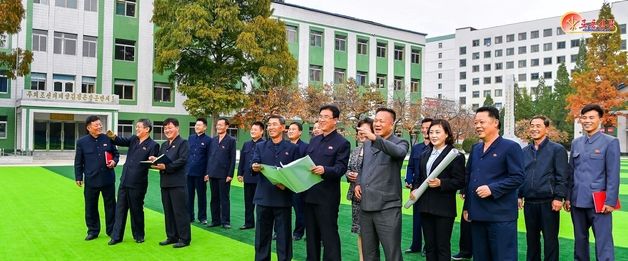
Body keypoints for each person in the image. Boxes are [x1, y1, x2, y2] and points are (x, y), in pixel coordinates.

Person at [463, 106, 524, 260]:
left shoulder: (510, 147)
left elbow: (517, 177)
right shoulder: (476, 148)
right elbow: (469, 178)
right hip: (477, 215)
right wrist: (468, 207)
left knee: (503, 257)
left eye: (482, 122)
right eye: (476, 123)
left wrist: (492, 188)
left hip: (500, 216)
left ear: (496, 122)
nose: (477, 126)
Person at [565, 104, 620, 261]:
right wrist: (568, 197)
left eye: (591, 117)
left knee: (603, 243)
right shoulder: (576, 143)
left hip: (600, 203)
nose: (587, 121)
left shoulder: (610, 142)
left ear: (600, 120)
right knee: (580, 242)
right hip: (577, 201)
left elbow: (613, 174)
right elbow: (571, 172)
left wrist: (610, 201)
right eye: (584, 117)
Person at [355, 107, 409, 261]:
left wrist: (375, 138)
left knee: (392, 253)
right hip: (366, 206)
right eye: (376, 120)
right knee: (369, 253)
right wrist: (359, 182)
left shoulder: (401, 142)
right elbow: (363, 167)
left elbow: (398, 153)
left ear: (392, 125)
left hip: (387, 208)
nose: (377, 124)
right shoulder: (367, 144)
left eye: (381, 121)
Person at [409, 119, 465, 261]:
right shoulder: (424, 154)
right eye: (431, 132)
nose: (433, 135)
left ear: (446, 134)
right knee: (430, 246)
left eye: (438, 132)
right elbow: (419, 177)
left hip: (443, 208)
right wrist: (415, 189)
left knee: (442, 247)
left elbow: (460, 181)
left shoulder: (455, 155)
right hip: (425, 207)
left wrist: (442, 183)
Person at [303, 104, 350, 261]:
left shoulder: (342, 143)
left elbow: (340, 169)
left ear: (335, 120)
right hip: (309, 194)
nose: (321, 120)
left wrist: (325, 170)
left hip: (327, 198)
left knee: (329, 235)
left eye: (326, 117)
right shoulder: (314, 140)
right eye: (320, 116)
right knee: (311, 235)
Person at [518, 116, 568, 261]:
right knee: (531, 240)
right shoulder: (524, 151)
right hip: (530, 203)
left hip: (549, 202)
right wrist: (519, 195)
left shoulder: (557, 150)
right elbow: (521, 175)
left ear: (546, 129)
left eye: (538, 126)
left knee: (550, 240)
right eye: (532, 126)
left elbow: (562, 176)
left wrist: (559, 197)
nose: (534, 129)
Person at [251, 115, 299, 261]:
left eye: (274, 124)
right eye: (269, 125)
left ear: (283, 127)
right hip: (263, 197)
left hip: (283, 199)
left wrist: (286, 184)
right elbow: (253, 165)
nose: (270, 127)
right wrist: (254, 167)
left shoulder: (292, 148)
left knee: (283, 237)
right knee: (262, 236)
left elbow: (296, 173)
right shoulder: (260, 146)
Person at [107, 119, 160, 245]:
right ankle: (116, 236)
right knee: (120, 209)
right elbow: (121, 141)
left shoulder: (153, 145)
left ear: (147, 129)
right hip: (125, 180)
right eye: (136, 127)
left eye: (139, 127)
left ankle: (139, 235)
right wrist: (113, 136)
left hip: (138, 182)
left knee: (136, 209)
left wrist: (154, 159)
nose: (137, 129)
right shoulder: (133, 139)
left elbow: (153, 161)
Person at [74, 115, 118, 241]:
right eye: (96, 125)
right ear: (89, 128)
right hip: (91, 179)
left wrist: (114, 162)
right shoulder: (82, 142)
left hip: (108, 179)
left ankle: (112, 230)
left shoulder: (107, 139)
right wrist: (78, 176)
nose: (100, 126)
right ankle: (93, 231)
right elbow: (79, 161)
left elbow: (116, 154)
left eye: (100, 124)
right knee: (90, 206)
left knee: (110, 206)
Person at [151, 118, 190, 248]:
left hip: (178, 183)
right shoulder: (164, 145)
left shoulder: (183, 143)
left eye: (170, 127)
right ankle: (171, 236)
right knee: (168, 211)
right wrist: (155, 160)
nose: (167, 130)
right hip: (165, 182)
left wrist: (166, 167)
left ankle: (184, 239)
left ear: (177, 128)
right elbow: (163, 160)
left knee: (180, 211)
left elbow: (183, 160)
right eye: (165, 128)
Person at [345, 118, 373, 261]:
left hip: (371, 196)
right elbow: (349, 168)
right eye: (359, 130)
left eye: (365, 130)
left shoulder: (377, 150)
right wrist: (349, 175)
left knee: (372, 232)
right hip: (356, 197)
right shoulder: (355, 150)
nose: (361, 133)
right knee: (360, 231)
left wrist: (361, 178)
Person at [404, 118, 432, 255]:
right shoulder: (416, 148)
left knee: (428, 218)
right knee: (417, 218)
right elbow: (410, 167)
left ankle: (428, 247)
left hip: (430, 189)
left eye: (429, 127)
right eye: (424, 127)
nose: (425, 130)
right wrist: (408, 180)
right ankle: (415, 245)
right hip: (415, 188)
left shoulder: (435, 148)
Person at [207, 117, 237, 228]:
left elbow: (232, 158)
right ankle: (215, 220)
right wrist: (208, 172)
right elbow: (210, 157)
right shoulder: (213, 140)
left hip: (224, 175)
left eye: (221, 125)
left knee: (224, 198)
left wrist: (230, 174)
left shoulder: (231, 140)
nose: (218, 127)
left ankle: (225, 221)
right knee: (214, 198)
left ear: (226, 126)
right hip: (213, 173)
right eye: (217, 125)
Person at [237, 121, 265, 230]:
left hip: (260, 179)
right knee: (248, 202)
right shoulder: (246, 144)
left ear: (262, 131)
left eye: (255, 129)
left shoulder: (264, 144)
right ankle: (248, 223)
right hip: (248, 178)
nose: (252, 131)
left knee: (261, 204)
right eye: (251, 129)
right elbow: (242, 160)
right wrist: (240, 173)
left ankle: (261, 224)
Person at [186, 118, 212, 225]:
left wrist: (207, 173)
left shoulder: (208, 140)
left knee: (201, 196)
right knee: (189, 195)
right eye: (196, 125)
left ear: (205, 127)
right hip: (189, 172)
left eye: (200, 125)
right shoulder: (190, 138)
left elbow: (209, 157)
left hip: (201, 173)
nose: (197, 127)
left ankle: (202, 217)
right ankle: (189, 216)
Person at [287, 122, 308, 240]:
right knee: (283, 209)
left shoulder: (305, 147)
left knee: (299, 209)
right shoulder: (283, 145)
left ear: (300, 132)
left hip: (298, 183)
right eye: (289, 129)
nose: (290, 131)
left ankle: (298, 233)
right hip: (284, 182)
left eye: (293, 129)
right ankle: (279, 231)